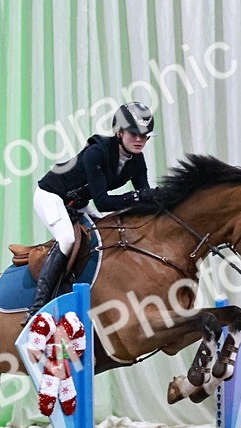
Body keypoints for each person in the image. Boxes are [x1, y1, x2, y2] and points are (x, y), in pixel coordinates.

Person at [26, 101, 157, 320]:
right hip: (51, 194)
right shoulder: (97, 152)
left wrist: (161, 199)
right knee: (67, 239)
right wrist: (137, 197)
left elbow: (144, 193)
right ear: (119, 133)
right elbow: (103, 202)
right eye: (134, 134)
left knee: (105, 232)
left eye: (144, 136)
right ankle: (38, 306)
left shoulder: (136, 160)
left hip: (75, 201)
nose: (139, 140)